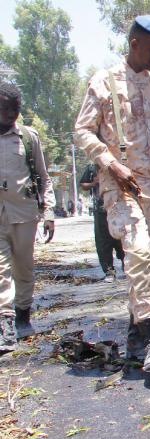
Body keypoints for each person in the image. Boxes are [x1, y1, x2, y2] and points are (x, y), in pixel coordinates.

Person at [74, 15, 150, 371]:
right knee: (138, 254)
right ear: (135, 42)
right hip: (120, 185)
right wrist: (111, 164)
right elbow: (83, 132)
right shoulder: (104, 82)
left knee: (149, 268)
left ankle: (135, 337)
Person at [0, 81, 56, 353]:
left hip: (24, 214)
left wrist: (49, 213)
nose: (10, 113)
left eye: (15, 108)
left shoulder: (27, 137)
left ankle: (23, 316)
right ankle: (6, 323)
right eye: (5, 108)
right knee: (1, 270)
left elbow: (44, 179)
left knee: (23, 268)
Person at [80, 163, 124, 283]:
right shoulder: (92, 166)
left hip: (120, 208)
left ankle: (128, 266)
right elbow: (83, 184)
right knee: (103, 242)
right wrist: (95, 183)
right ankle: (109, 271)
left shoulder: (119, 161)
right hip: (101, 210)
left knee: (123, 238)